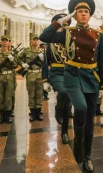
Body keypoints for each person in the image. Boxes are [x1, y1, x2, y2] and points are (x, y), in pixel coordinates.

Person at [40, 0, 103, 172]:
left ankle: (87, 157)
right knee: (81, 108)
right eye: (79, 12)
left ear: (90, 15)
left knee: (90, 123)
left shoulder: (98, 35)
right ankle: (77, 144)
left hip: (92, 77)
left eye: (86, 12)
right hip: (72, 75)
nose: (83, 14)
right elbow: (44, 37)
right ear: (74, 15)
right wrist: (61, 21)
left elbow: (101, 61)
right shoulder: (67, 33)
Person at [41, 13, 72, 143]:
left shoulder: (71, 40)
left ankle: (64, 132)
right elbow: (45, 62)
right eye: (60, 25)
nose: (62, 28)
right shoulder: (50, 43)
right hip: (56, 73)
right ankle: (57, 110)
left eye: (65, 25)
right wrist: (45, 80)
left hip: (70, 74)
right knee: (64, 92)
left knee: (68, 105)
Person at [18, 34, 44, 121]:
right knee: (31, 94)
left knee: (39, 94)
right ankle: (32, 113)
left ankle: (38, 112)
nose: (36, 41)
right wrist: (22, 64)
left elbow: (47, 63)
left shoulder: (42, 51)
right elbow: (18, 58)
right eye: (34, 40)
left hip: (40, 75)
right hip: (30, 74)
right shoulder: (26, 51)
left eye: (37, 40)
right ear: (30, 41)